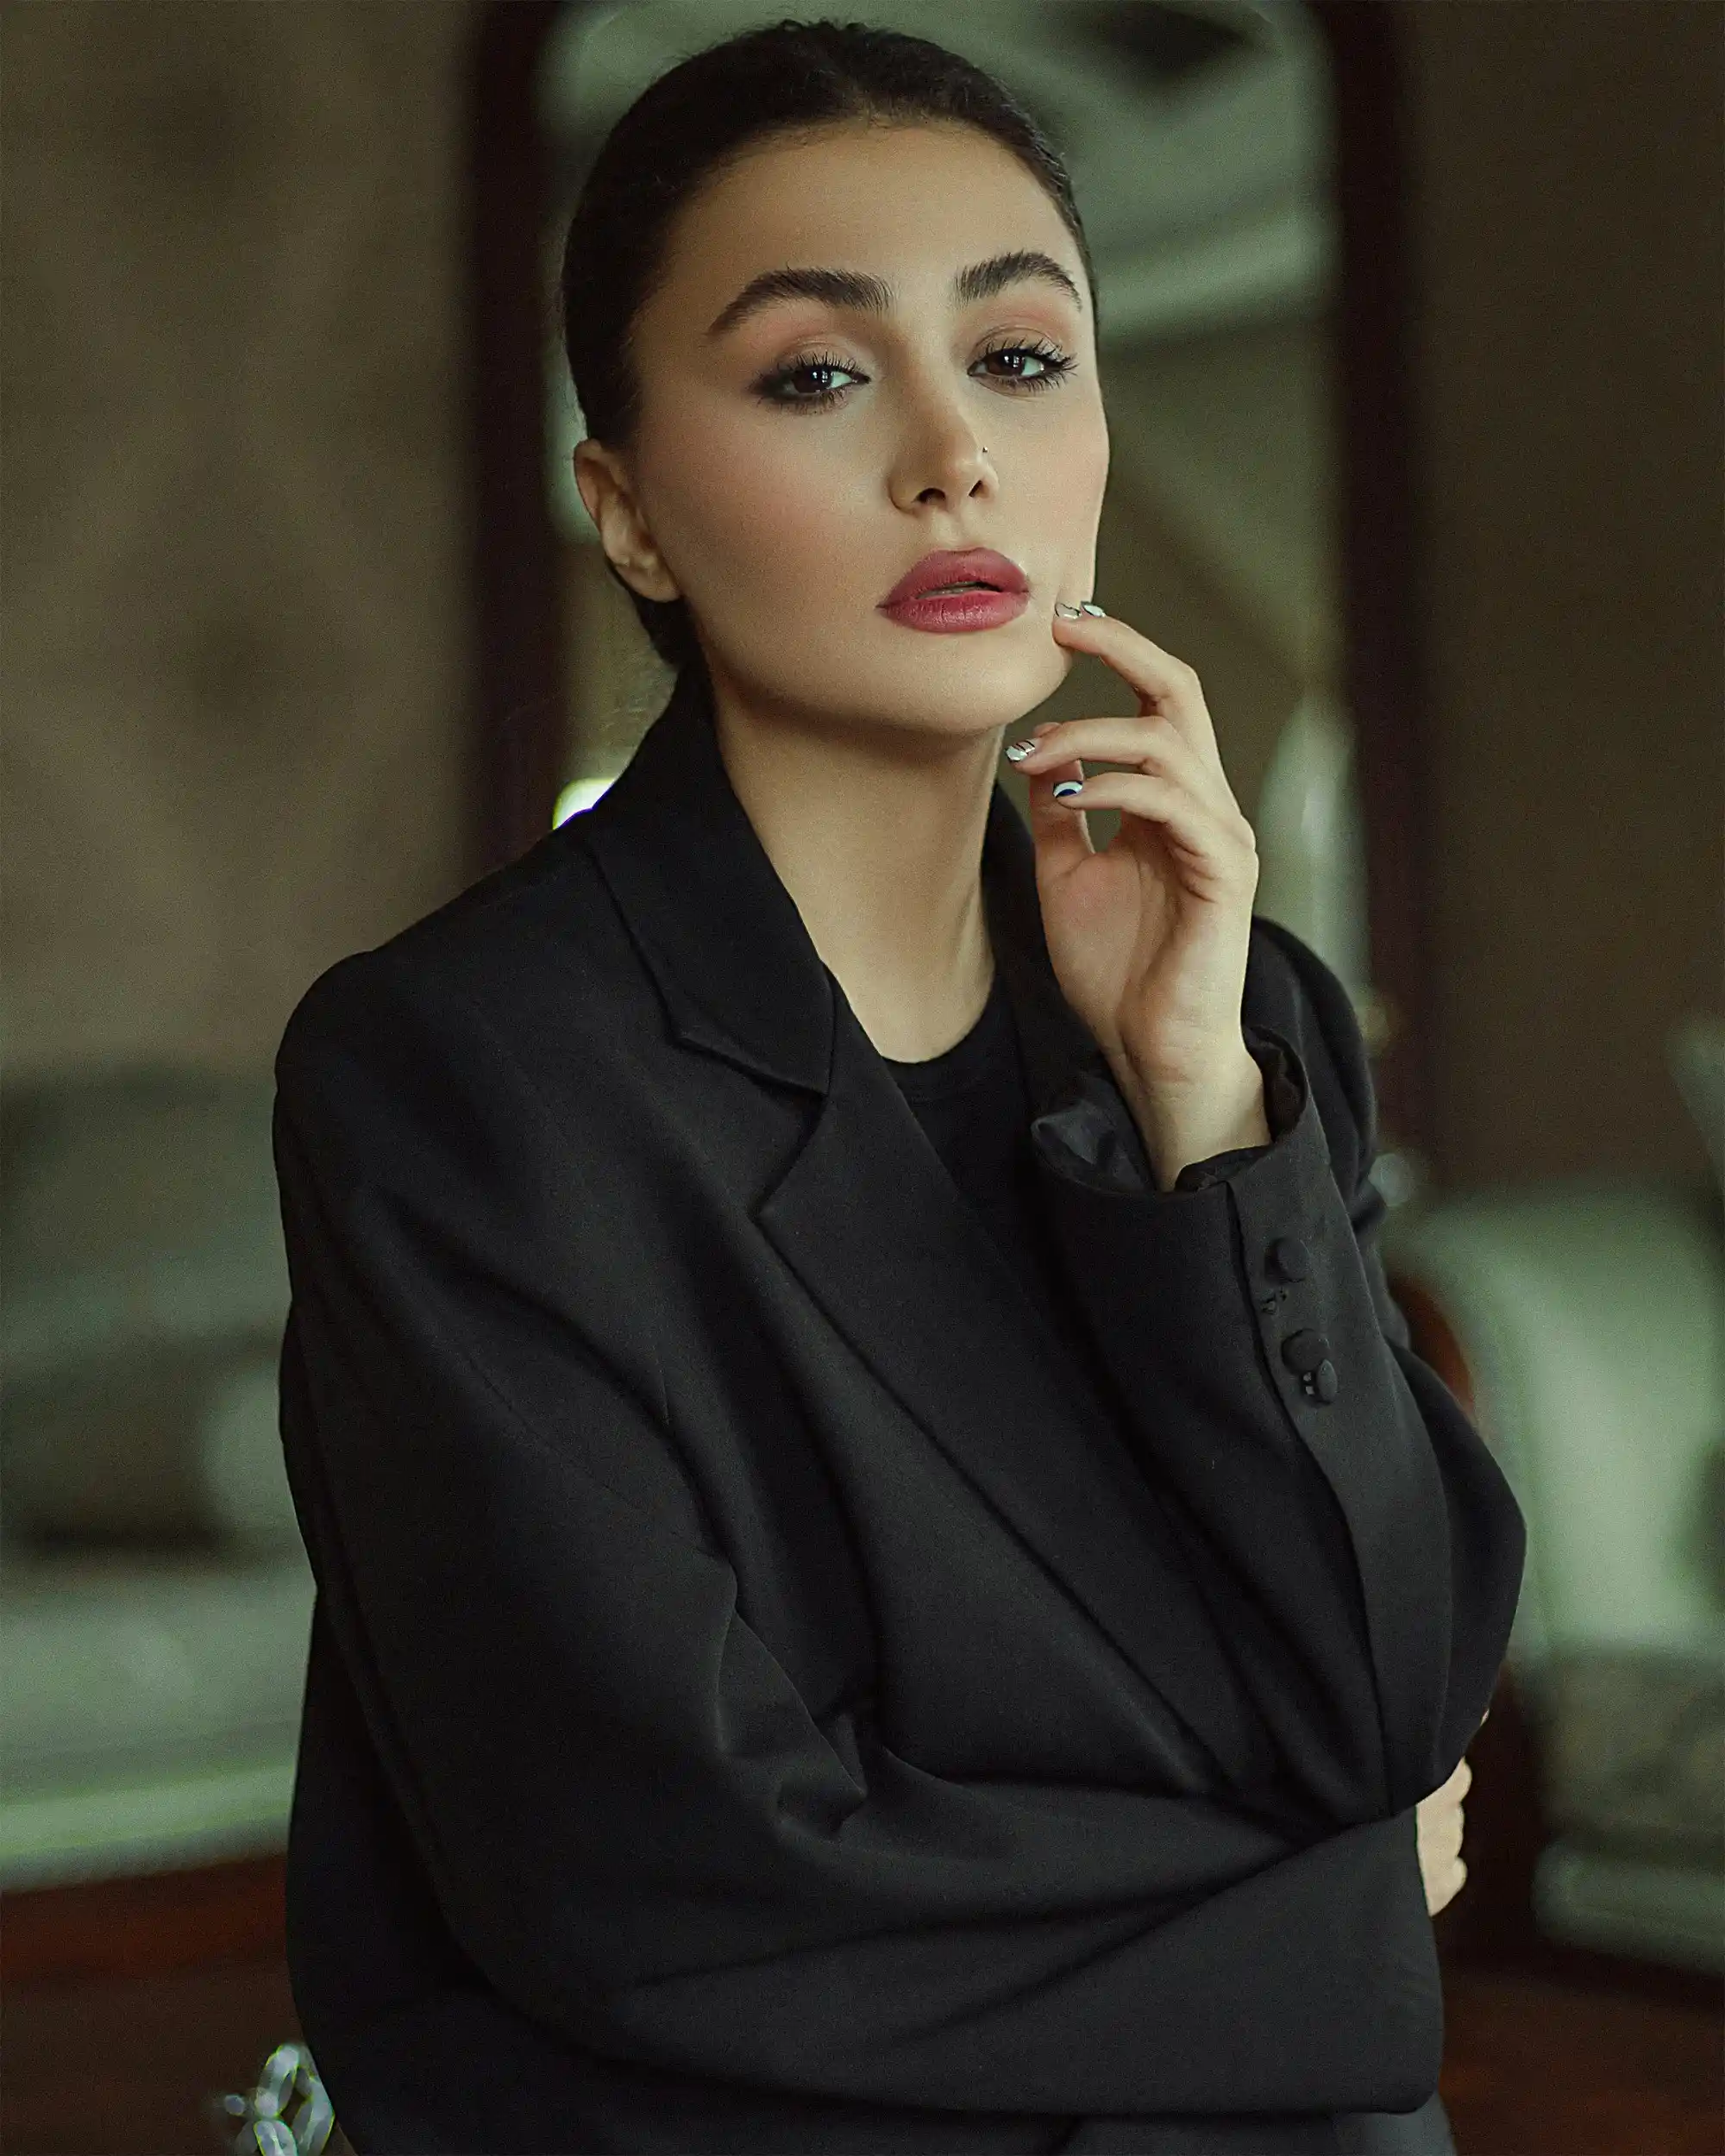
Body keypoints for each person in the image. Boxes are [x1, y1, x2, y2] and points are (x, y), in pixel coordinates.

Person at [272, 21, 1524, 2154]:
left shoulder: (1247, 1015)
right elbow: (666, 1872)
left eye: (1023, 358)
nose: (954, 454)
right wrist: (1315, 1919)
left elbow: (1389, 1698)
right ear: (631, 510)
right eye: (815, 376)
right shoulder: (464, 1071)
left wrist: (1200, 1114)